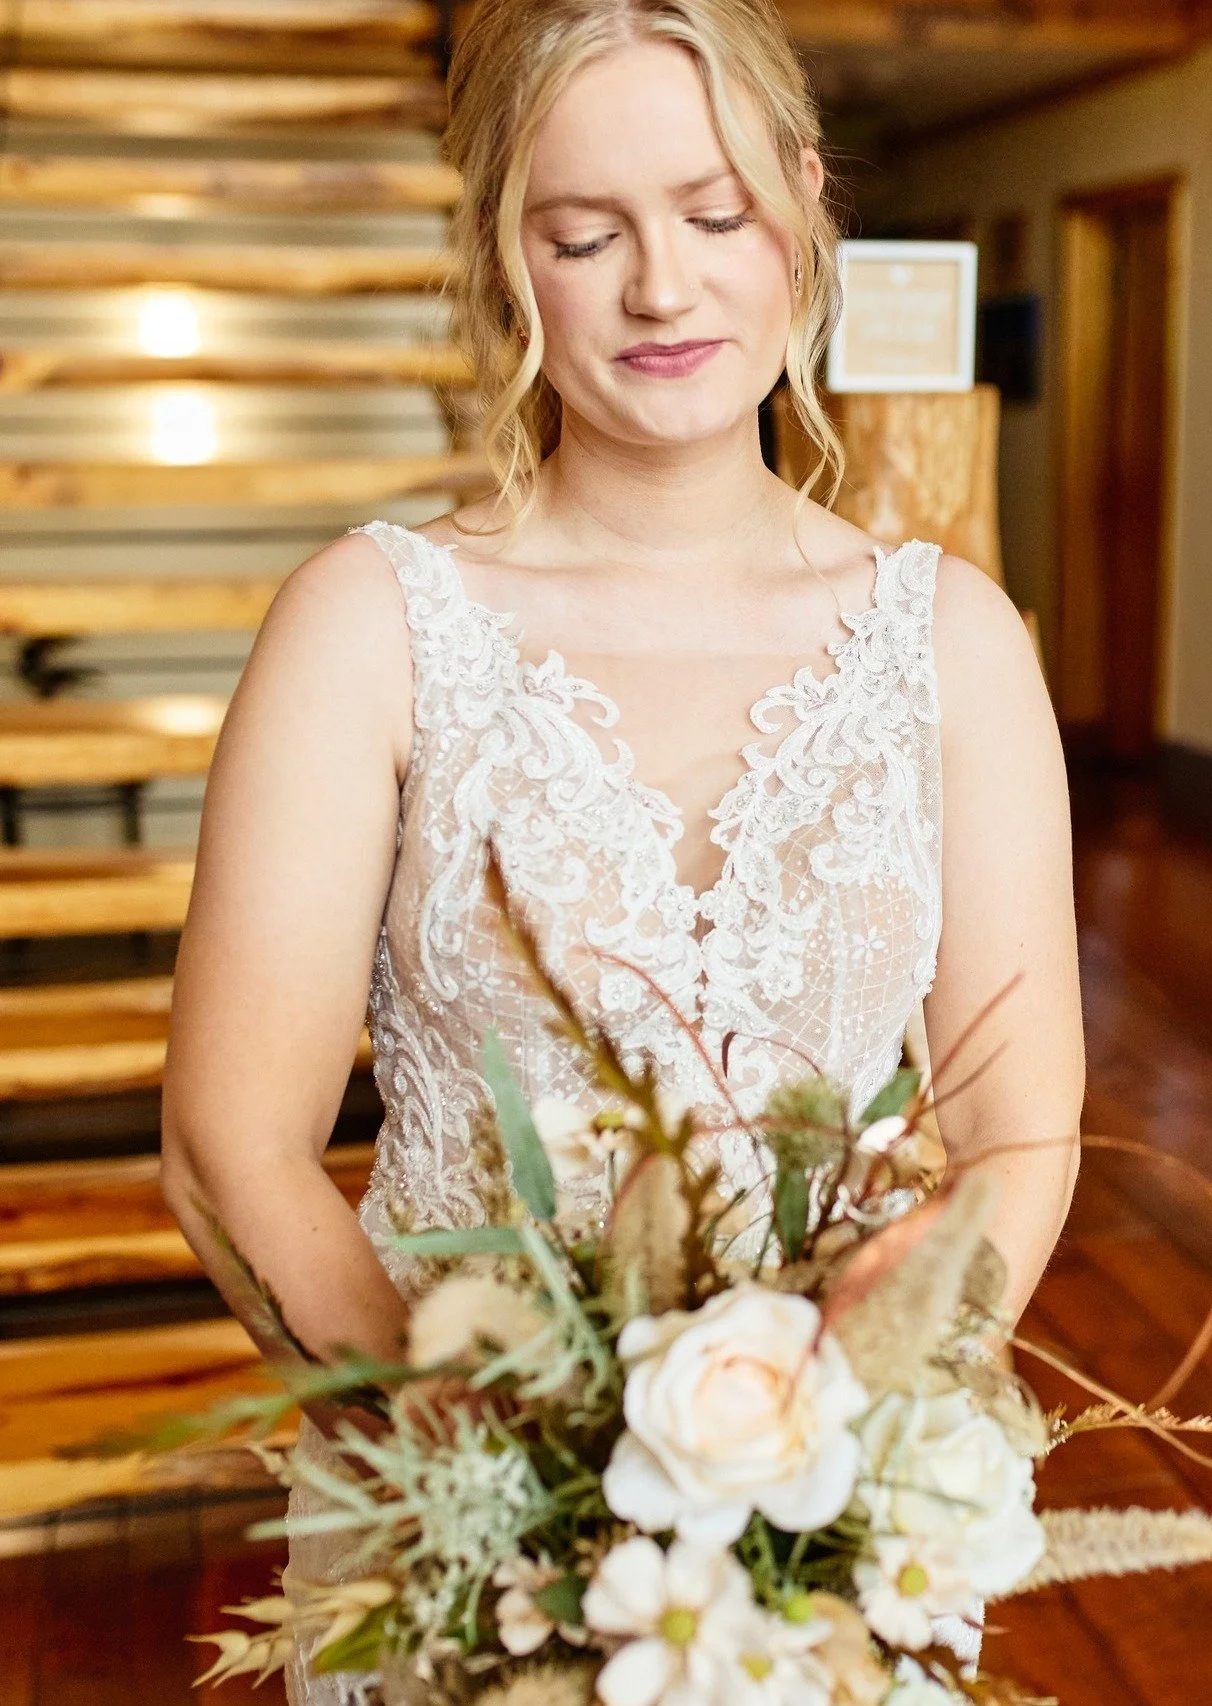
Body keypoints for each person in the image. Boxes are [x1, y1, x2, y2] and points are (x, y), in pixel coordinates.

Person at [160, 2, 1084, 1699]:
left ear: (805, 204)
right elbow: (232, 1142)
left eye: (715, 213)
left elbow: (1021, 1134)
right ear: (509, 255)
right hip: (446, 1550)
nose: (663, 288)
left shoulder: (952, 644)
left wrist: (829, 1446)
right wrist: (500, 1488)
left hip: (820, 1551)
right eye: (586, 234)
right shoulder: (369, 627)